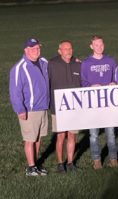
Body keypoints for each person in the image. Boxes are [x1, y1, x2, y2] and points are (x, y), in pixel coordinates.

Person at [9, 38, 49, 176]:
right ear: (26, 50)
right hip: (29, 109)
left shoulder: (44, 62)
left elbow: (57, 65)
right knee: (30, 139)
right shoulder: (19, 68)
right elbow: (15, 91)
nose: (36, 50)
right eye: (33, 48)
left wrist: (76, 62)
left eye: (38, 48)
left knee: (38, 138)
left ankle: (36, 164)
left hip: (43, 107)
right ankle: (30, 167)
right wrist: (20, 109)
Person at [81, 35, 118, 169]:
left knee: (111, 133)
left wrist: (114, 83)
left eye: (101, 44)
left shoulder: (110, 61)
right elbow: (83, 82)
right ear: (91, 46)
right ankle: (97, 160)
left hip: (108, 103)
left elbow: (116, 77)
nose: (99, 47)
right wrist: (90, 86)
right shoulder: (86, 63)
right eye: (96, 45)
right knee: (94, 134)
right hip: (93, 104)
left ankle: (113, 158)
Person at [48, 40, 81, 173]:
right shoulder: (52, 64)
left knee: (72, 135)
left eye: (70, 48)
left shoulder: (78, 64)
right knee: (61, 136)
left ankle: (70, 162)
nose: (68, 51)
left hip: (74, 107)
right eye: (65, 49)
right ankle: (60, 163)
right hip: (58, 107)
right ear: (59, 51)